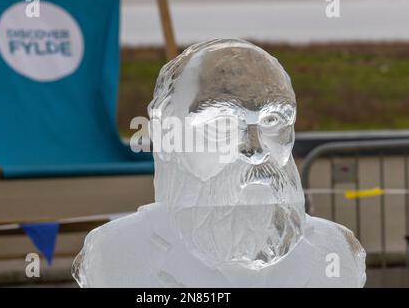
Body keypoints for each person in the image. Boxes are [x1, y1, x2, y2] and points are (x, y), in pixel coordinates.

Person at [72, 39, 366, 287]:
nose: (254, 148)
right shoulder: (113, 254)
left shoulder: (336, 252)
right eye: (223, 124)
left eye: (273, 121)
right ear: (168, 138)